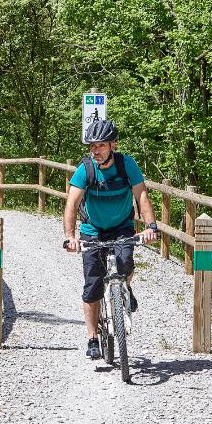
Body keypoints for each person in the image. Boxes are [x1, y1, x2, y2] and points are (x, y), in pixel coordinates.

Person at [63, 119, 160, 360]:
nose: (95, 151)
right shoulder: (85, 168)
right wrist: (70, 237)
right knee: (93, 284)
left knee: (126, 261)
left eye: (101, 146)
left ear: (113, 145)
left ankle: (125, 287)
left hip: (122, 227)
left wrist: (151, 227)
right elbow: (71, 203)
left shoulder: (126, 164)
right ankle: (93, 337)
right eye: (92, 146)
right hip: (92, 229)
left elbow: (142, 196)